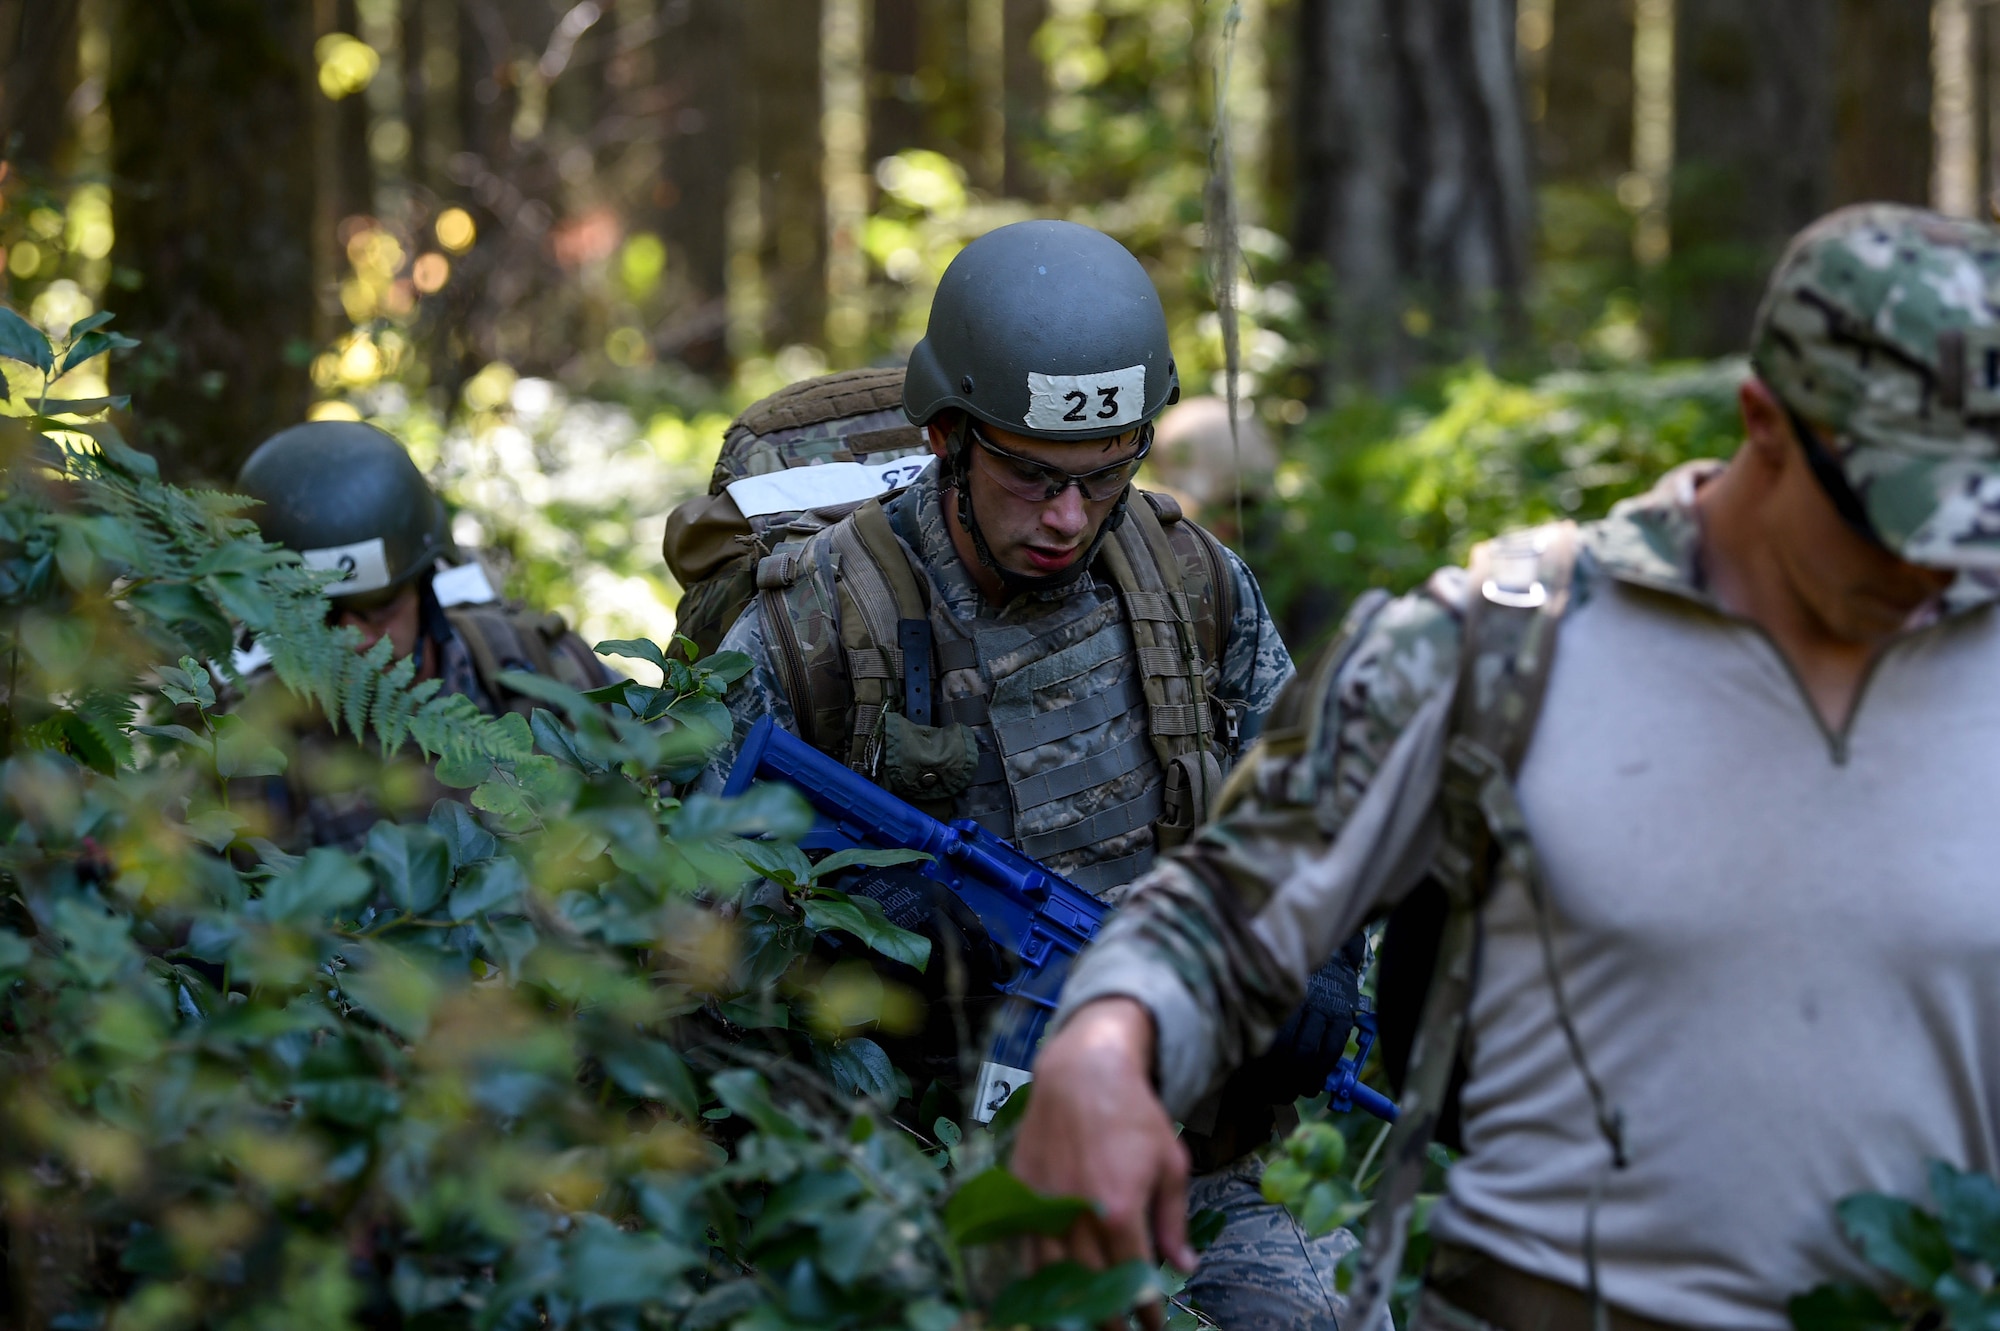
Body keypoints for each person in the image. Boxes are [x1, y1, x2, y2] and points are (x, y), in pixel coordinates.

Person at [1013, 201, 2000, 1331]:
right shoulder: (1496, 647)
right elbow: (1229, 904)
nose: (1933, 566)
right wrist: (1105, 1044)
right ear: (1762, 424)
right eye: (1894, 517)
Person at [709, 220, 1371, 1328]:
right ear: (945, 437)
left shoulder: (1192, 583)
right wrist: (858, 923)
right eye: (1030, 476)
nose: (1068, 517)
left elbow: (1317, 809)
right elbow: (677, 906)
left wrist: (1322, 963)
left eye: (1105, 475)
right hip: (899, 1163)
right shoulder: (814, 623)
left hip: (1182, 1163)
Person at [233, 419, 612, 848]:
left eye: (378, 608)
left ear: (424, 584)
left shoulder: (541, 668)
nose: (355, 641)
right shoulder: (254, 748)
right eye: (317, 618)